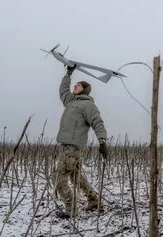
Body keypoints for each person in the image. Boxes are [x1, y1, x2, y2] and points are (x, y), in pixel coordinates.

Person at [55, 64, 109, 217]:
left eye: (77, 86)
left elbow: (97, 122)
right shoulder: (70, 102)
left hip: (72, 148)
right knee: (76, 177)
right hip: (68, 146)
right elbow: (63, 90)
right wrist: (68, 73)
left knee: (59, 179)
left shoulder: (88, 105)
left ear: (84, 90)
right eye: (75, 85)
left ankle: (71, 210)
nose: (74, 86)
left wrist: (102, 141)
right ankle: (94, 201)